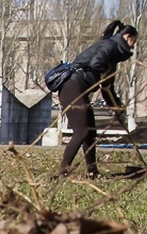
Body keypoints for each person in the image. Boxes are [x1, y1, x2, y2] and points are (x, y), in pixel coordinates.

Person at [57, 20, 137, 179]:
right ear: (128, 37)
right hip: (71, 88)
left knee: (90, 132)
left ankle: (92, 171)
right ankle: (62, 172)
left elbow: (107, 89)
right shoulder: (109, 46)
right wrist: (105, 73)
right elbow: (96, 64)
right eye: (134, 41)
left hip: (79, 90)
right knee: (82, 131)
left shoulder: (112, 56)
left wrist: (117, 108)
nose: (133, 46)